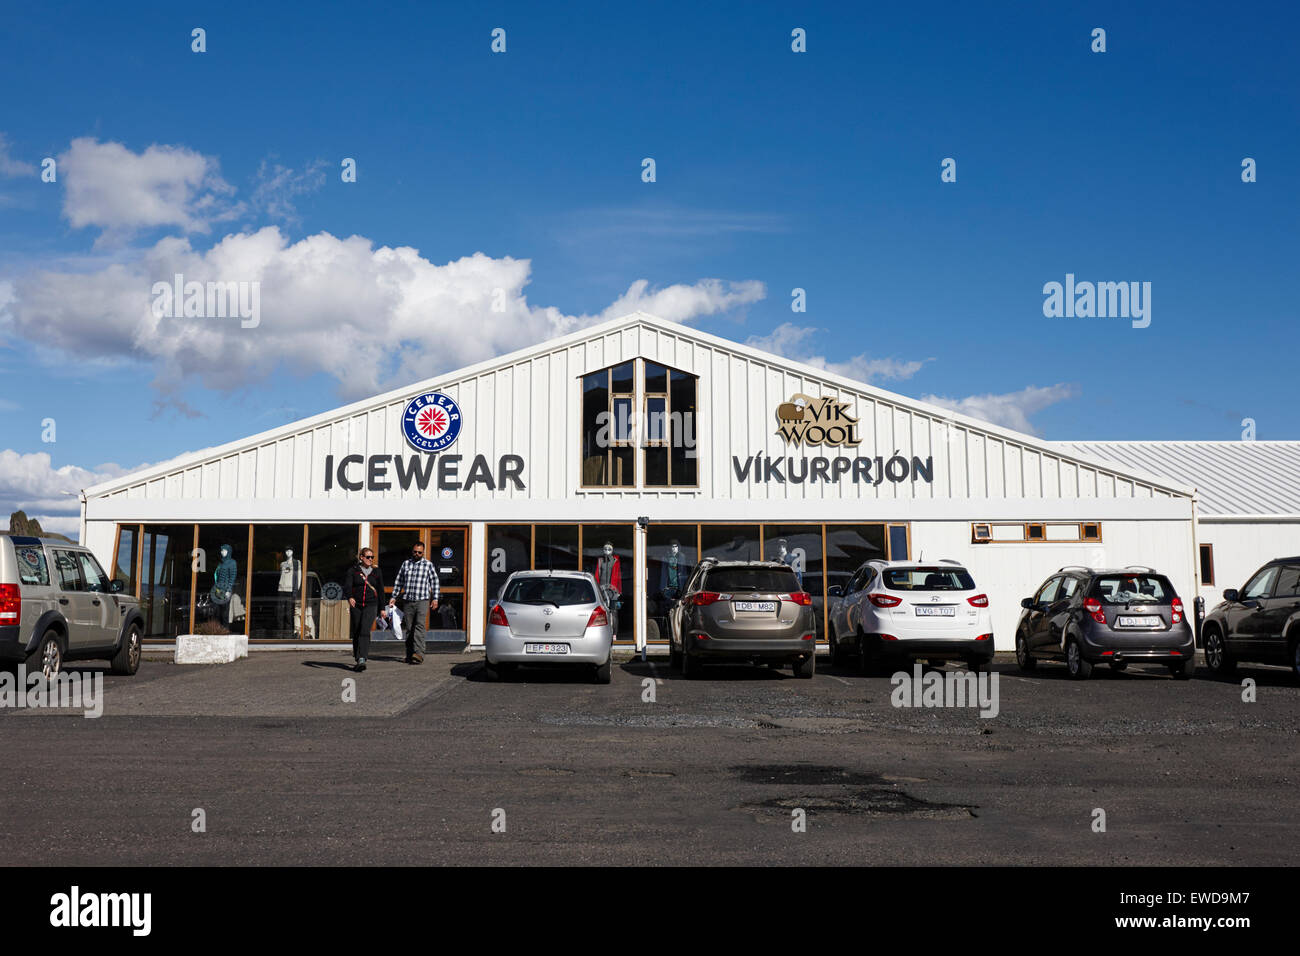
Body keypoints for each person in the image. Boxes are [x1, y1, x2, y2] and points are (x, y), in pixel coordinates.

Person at [390, 541, 438, 664]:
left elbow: (434, 582)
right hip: (408, 600)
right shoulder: (406, 564)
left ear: (423, 552)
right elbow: (399, 581)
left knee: (420, 626)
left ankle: (419, 654)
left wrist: (435, 598)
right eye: (415, 551)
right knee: (410, 629)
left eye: (419, 552)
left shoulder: (428, 565)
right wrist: (394, 596)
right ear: (412, 551)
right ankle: (410, 654)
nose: (417, 554)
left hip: (422, 600)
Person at [346, 547, 384, 672]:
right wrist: (350, 597)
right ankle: (358, 658)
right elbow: (348, 586)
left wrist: (382, 608)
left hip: (371, 604)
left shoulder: (376, 572)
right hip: (356, 605)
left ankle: (362, 658)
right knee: (357, 631)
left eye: (372, 557)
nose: (370, 559)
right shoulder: (353, 571)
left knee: (364, 629)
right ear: (361, 557)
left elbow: (381, 591)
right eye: (368, 557)